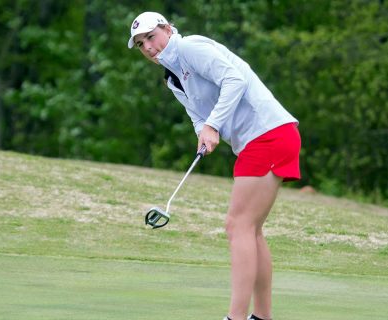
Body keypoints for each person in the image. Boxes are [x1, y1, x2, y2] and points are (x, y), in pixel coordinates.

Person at [128, 11, 301, 320]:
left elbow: (235, 79)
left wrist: (214, 125)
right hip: (265, 137)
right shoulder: (172, 77)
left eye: (151, 37)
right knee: (251, 230)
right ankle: (261, 318)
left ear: (168, 29)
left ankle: (235, 318)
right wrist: (203, 132)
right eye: (141, 44)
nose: (149, 48)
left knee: (238, 226)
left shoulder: (190, 48)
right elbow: (198, 114)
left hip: (268, 133)